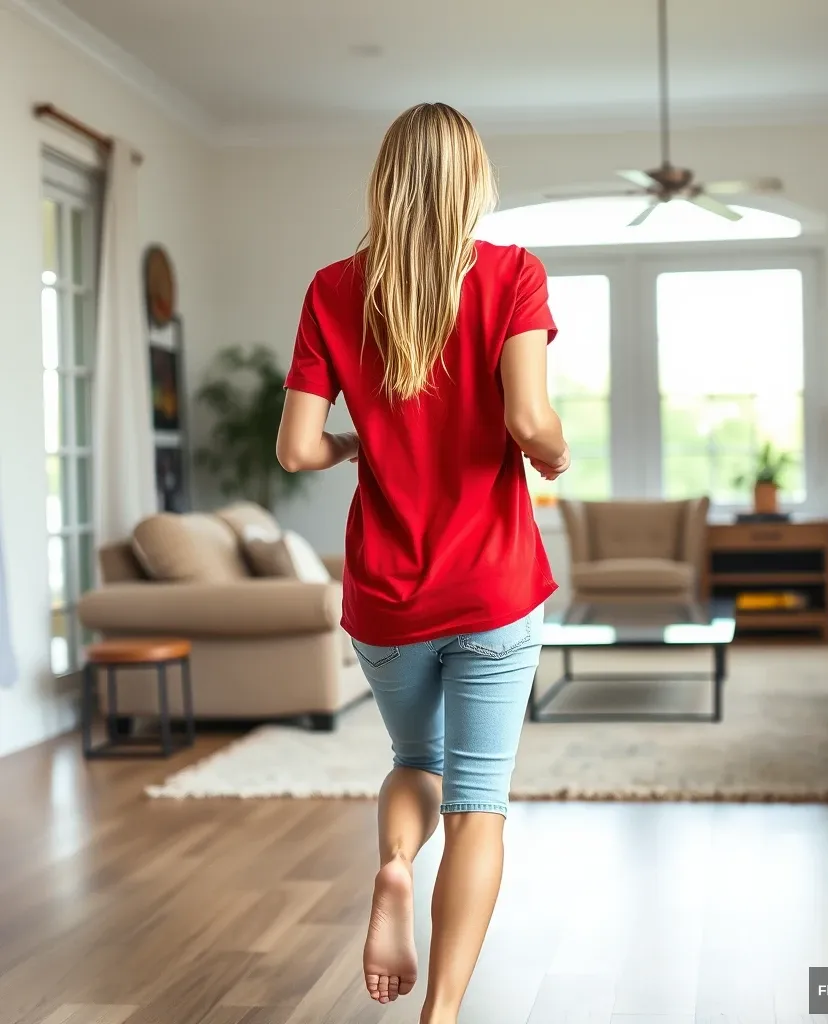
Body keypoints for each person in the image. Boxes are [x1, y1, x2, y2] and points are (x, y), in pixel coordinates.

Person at [275, 102, 569, 1024]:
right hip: (492, 587)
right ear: (474, 180)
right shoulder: (512, 273)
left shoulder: (333, 287)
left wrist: (359, 448)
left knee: (415, 759)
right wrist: (555, 454)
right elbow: (528, 422)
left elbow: (294, 449)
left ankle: (396, 866)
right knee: (478, 804)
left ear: (386, 180)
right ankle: (439, 1014)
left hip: (386, 595)